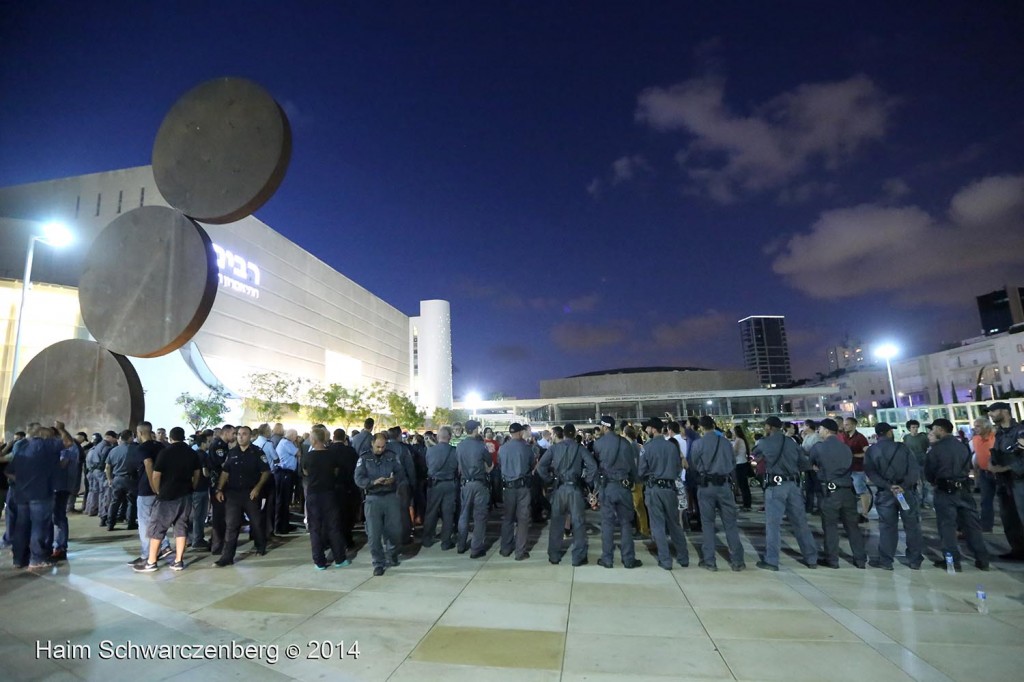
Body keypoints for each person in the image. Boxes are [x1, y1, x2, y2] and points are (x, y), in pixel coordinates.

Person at [752, 416, 818, 571]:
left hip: (775, 486)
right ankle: (811, 558)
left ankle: (772, 560)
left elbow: (755, 455)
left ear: (768, 427)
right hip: (793, 485)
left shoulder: (764, 442)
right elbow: (804, 463)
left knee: (773, 524)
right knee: (800, 523)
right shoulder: (792, 443)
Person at [924, 418, 990, 571]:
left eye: (933, 429)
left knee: (947, 527)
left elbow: (929, 473)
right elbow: (968, 466)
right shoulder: (962, 446)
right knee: (972, 526)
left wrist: (936, 481)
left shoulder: (936, 449)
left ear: (941, 429)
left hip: (944, 491)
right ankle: (982, 559)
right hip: (964, 489)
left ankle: (953, 561)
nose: (932, 432)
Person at [7, 422, 73, 569]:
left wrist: (24, 481)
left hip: (22, 493)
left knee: (21, 526)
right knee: (39, 526)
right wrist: (61, 429)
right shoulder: (46, 445)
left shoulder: (22, 447)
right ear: (44, 436)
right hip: (41, 492)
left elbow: (9, 472)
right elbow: (68, 442)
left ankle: (19, 559)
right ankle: (37, 559)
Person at [135, 427, 200, 572]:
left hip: (168, 496)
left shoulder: (166, 452)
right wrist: (192, 487)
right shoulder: (192, 453)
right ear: (183, 437)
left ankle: (151, 562)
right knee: (181, 527)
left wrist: (157, 490)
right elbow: (197, 473)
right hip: (186, 495)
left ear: (170, 438)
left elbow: (156, 475)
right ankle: (178, 561)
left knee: (158, 528)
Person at [864, 422, 923, 570]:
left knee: (887, 527)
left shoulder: (872, 451)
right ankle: (915, 560)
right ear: (889, 432)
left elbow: (871, 473)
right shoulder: (903, 448)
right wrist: (903, 486)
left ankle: (886, 560)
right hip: (906, 492)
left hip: (885, 493)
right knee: (912, 526)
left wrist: (888, 486)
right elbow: (914, 470)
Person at [809, 419, 867, 569]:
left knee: (830, 527)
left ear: (827, 430)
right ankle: (860, 560)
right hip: (848, 490)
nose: (818, 431)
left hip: (830, 491)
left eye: (820, 429)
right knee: (852, 527)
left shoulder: (819, 447)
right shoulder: (846, 448)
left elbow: (811, 463)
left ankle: (832, 560)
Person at [689, 416, 744, 571]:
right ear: (713, 425)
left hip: (706, 486)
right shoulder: (726, 442)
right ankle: (738, 560)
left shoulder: (698, 443)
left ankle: (710, 561)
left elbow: (693, 464)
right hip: (724, 485)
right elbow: (732, 463)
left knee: (707, 524)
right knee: (730, 523)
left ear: (700, 427)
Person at [537, 423, 596, 566]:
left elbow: (540, 466)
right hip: (575, 489)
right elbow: (593, 466)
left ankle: (554, 555)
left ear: (563, 434)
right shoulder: (580, 448)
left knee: (556, 523)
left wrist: (549, 480)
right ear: (574, 434)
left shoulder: (554, 448)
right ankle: (578, 557)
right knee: (578, 523)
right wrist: (586, 480)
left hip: (559, 488)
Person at [637, 417, 690, 570]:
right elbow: (678, 467)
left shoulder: (647, 447)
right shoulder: (672, 446)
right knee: (674, 524)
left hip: (654, 489)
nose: (646, 430)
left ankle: (665, 560)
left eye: (647, 428)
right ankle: (683, 557)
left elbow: (641, 472)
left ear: (654, 429)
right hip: (670, 489)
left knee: (658, 526)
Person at [214, 425, 270, 567]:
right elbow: (225, 472)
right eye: (238, 434)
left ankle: (260, 545)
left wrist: (257, 488)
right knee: (231, 525)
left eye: (244, 434)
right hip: (233, 494)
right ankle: (227, 557)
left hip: (250, 493)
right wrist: (219, 489)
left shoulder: (257, 452)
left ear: (250, 436)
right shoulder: (232, 453)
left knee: (256, 522)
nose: (240, 436)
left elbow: (265, 472)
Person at [593, 417, 642, 569]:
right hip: (624, 487)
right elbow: (633, 467)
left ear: (604, 427)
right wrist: (634, 482)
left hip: (607, 487)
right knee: (625, 523)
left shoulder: (598, 443)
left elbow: (596, 467)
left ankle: (607, 559)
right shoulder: (625, 443)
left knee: (607, 524)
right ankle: (628, 559)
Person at [354, 433, 406, 575]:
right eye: (378, 447)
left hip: (390, 497)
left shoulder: (391, 456)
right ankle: (378, 563)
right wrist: (372, 483)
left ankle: (392, 554)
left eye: (383, 446)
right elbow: (358, 478)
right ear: (372, 444)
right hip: (373, 498)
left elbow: (401, 473)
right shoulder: (364, 458)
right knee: (374, 534)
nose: (380, 449)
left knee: (395, 530)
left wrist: (394, 479)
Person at [303, 425, 349, 570]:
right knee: (333, 526)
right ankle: (339, 558)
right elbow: (335, 471)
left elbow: (305, 472)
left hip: (313, 495)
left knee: (315, 528)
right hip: (329, 493)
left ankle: (319, 561)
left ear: (314, 440)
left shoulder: (308, 457)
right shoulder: (331, 456)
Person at [985, 401, 1024, 560]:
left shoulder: (1020, 431)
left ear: (1004, 411)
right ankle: (1018, 550)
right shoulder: (1000, 433)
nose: (991, 415)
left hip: (1019, 481)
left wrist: (1004, 468)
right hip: (1004, 482)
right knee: (1009, 518)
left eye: (993, 412)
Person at [129, 422, 171, 568]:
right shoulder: (160, 446)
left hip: (147, 490)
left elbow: (148, 464)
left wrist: (153, 485)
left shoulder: (143, 448)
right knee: (157, 521)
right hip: (161, 489)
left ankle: (147, 555)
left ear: (140, 433)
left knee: (145, 524)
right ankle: (164, 546)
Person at [455, 420, 492, 558]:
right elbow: (489, 463)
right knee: (479, 516)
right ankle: (476, 548)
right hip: (479, 483)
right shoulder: (480, 446)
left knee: (464, 515)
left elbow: (457, 464)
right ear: (475, 430)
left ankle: (461, 545)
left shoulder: (459, 446)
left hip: (465, 483)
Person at [498, 423, 533, 560]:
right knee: (523, 519)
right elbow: (531, 465)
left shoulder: (502, 448)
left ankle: (505, 548)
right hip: (523, 487)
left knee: (508, 518)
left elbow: (500, 464)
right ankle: (520, 551)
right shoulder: (526, 448)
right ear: (520, 432)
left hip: (508, 487)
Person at [422, 426, 458, 549]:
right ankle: (446, 541)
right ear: (450, 437)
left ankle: (427, 539)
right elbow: (458, 469)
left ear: (438, 437)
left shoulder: (430, 451)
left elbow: (428, 466)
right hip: (449, 484)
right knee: (448, 514)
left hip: (435, 485)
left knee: (431, 512)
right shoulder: (454, 451)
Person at [328, 429, 361, 548]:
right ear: (344, 438)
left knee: (333, 516)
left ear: (333, 436)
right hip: (348, 487)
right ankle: (348, 539)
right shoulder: (350, 451)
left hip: (332, 488)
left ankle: (334, 540)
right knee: (347, 515)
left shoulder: (328, 451)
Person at [206, 425, 235, 555]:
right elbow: (223, 465)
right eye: (233, 433)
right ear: (226, 432)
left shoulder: (224, 445)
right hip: (218, 485)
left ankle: (216, 542)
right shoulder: (218, 445)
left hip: (223, 484)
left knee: (223, 515)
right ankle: (217, 546)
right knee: (219, 516)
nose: (235, 436)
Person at [838, 417, 871, 520]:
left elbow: (867, 453)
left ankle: (865, 513)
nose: (845, 426)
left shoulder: (860, 438)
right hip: (847, 468)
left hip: (857, 468)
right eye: (844, 424)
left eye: (847, 424)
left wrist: (854, 455)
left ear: (853, 425)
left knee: (861, 490)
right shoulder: (844, 436)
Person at [971, 417, 997, 532]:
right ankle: (986, 526)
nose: (975, 428)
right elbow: (977, 455)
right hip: (983, 473)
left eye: (978, 426)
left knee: (1006, 501)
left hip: (998, 473)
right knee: (985, 500)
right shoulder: (975, 439)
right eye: (975, 426)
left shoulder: (995, 437)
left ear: (986, 426)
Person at [623, 425, 649, 538]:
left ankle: (643, 530)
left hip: (636, 479)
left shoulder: (632, 446)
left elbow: (633, 463)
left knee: (638, 506)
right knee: (638, 506)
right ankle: (641, 529)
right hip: (639, 478)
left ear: (625, 434)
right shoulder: (637, 445)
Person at [273, 429, 300, 534]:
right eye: (296, 436)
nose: (296, 438)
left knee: (285, 500)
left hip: (285, 474)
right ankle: (281, 526)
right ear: (292, 435)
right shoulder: (287, 443)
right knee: (283, 500)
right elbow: (298, 453)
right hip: (284, 474)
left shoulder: (285, 442)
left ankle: (284, 524)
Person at [188, 433, 212, 549]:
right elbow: (205, 472)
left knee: (195, 515)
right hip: (201, 488)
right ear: (203, 443)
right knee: (200, 516)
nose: (209, 444)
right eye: (208, 442)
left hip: (195, 489)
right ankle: (197, 540)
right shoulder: (203, 455)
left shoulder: (193, 454)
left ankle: (193, 538)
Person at [903, 420, 932, 509]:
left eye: (916, 427)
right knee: (916, 483)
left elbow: (928, 447)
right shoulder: (906, 438)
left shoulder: (923, 437)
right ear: (909, 429)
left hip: (923, 461)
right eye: (913, 427)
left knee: (925, 483)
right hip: (912, 463)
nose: (915, 429)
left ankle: (925, 501)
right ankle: (918, 501)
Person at [800, 420, 822, 514]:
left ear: (808, 426)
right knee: (808, 488)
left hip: (814, 466)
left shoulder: (816, 437)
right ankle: (809, 506)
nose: (802, 428)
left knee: (817, 488)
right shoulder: (807, 436)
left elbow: (816, 451)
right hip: (807, 466)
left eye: (804, 426)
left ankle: (820, 508)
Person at [732, 424, 753, 511]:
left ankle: (746, 505)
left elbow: (734, 452)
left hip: (740, 464)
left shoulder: (738, 440)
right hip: (743, 463)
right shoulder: (742, 440)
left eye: (733, 431)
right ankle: (747, 504)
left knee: (743, 485)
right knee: (744, 486)